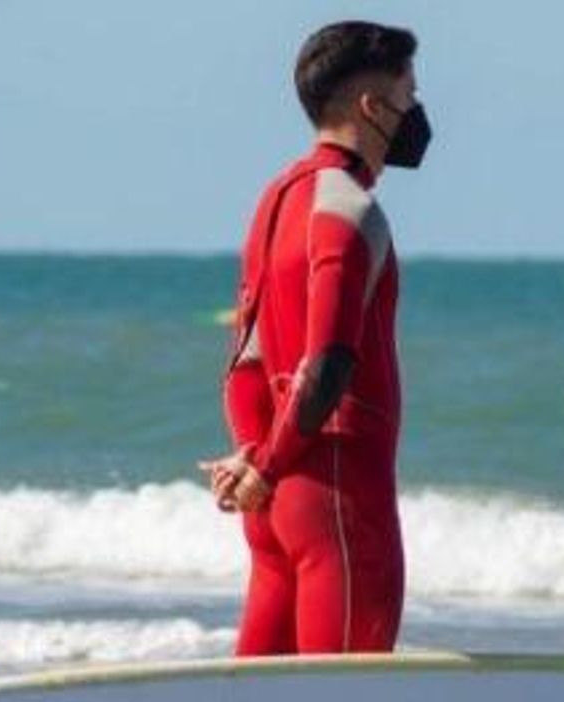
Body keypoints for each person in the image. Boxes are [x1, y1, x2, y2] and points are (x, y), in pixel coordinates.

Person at [200, 21, 430, 656]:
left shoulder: (277, 199)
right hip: (340, 498)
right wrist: (268, 464)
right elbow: (327, 365)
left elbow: (245, 364)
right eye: (409, 92)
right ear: (372, 106)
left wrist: (255, 461)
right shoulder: (350, 209)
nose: (416, 109)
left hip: (276, 506)